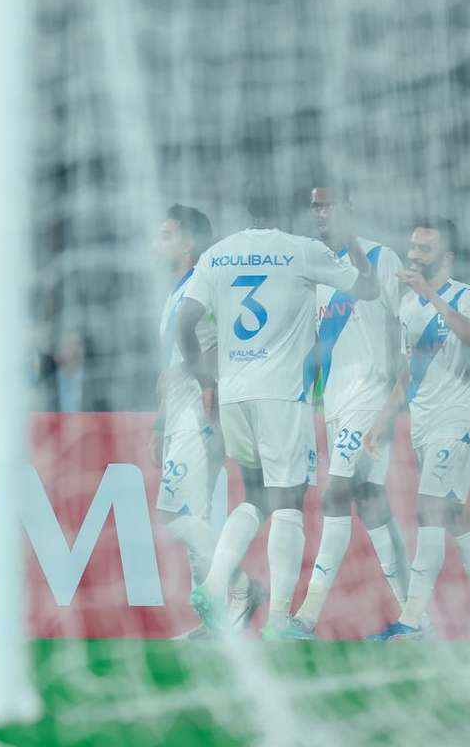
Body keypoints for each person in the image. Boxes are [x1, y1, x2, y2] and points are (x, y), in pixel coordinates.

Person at [179, 192, 379, 638]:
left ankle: (214, 584)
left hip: (233, 393)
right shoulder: (302, 249)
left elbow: (185, 319)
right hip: (282, 394)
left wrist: (203, 378)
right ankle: (278, 622)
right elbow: (369, 289)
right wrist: (356, 247)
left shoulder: (217, 255)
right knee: (288, 501)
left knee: (254, 494)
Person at [365, 218, 470, 640]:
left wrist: (430, 294)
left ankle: (412, 619)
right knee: (457, 517)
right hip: (422, 420)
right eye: (413, 247)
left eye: (425, 250)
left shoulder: (468, 297)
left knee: (429, 509)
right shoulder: (406, 306)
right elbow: (407, 373)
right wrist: (382, 421)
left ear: (447, 257)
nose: (415, 256)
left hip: (456, 421)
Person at [290, 188, 412, 637]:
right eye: (315, 205)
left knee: (335, 492)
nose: (321, 213)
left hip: (372, 395)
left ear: (349, 210)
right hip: (338, 400)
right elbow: (319, 341)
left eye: (329, 205)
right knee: (370, 501)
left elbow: (407, 323)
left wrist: (400, 389)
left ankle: (307, 615)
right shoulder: (318, 267)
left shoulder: (382, 258)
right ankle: (416, 617)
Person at [152, 205, 262, 638]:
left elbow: (224, 345)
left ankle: (240, 586)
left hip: (202, 404)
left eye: (164, 234)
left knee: (173, 511)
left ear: (189, 243)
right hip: (180, 406)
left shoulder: (206, 284)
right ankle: (216, 620)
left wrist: (202, 383)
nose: (154, 244)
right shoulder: (176, 290)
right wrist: (160, 421)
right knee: (191, 512)